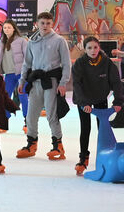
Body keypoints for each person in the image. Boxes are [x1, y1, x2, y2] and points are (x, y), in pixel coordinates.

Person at [18, 11, 72, 160]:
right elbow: (27, 63)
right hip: (36, 82)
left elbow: (66, 64)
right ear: (37, 24)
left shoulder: (59, 41)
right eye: (42, 23)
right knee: (31, 115)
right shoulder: (31, 42)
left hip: (52, 82)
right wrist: (22, 81)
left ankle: (58, 146)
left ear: (52, 24)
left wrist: (63, 83)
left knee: (51, 115)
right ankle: (31, 144)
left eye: (48, 23)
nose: (45, 26)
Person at [71, 36, 124, 174]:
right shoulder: (80, 63)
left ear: (99, 47)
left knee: (103, 129)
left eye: (95, 47)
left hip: (100, 98)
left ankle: (106, 156)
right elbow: (76, 84)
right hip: (84, 100)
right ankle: (83, 158)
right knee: (85, 128)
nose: (93, 50)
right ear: (85, 49)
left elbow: (116, 82)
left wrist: (118, 101)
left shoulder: (107, 63)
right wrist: (84, 103)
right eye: (89, 48)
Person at [0, 21, 26, 128]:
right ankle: (4, 120)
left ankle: (27, 121)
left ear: (14, 29)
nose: (6, 29)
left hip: (21, 74)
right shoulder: (0, 43)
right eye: (5, 28)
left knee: (23, 96)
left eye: (9, 27)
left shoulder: (21, 41)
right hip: (9, 74)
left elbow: (28, 57)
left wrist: (27, 71)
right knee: (4, 97)